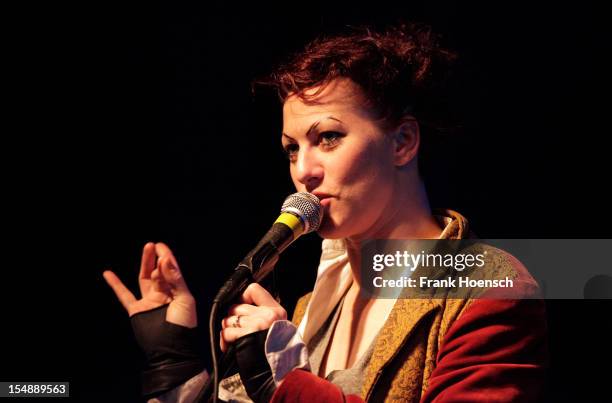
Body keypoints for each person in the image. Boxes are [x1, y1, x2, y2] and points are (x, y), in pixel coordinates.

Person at [104, 23, 548, 402]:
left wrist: (285, 383)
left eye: (329, 137)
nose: (304, 170)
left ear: (402, 143)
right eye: (291, 149)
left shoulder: (487, 284)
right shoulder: (308, 308)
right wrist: (174, 364)